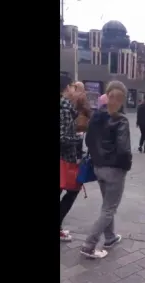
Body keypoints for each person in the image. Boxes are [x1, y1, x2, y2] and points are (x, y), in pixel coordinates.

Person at [81, 80, 132, 259]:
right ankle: (89, 244)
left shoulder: (96, 116)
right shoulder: (121, 120)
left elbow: (88, 141)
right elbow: (124, 149)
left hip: (98, 168)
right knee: (109, 208)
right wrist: (126, 166)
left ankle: (110, 237)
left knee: (106, 205)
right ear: (123, 99)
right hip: (115, 170)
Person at [59, 80, 84, 242]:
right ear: (67, 88)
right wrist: (77, 138)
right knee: (73, 190)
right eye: (73, 87)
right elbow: (61, 138)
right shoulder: (65, 109)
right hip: (64, 159)